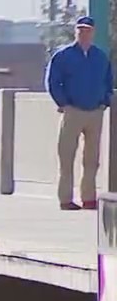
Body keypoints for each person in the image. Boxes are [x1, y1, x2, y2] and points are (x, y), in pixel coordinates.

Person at [45, 15, 114, 210]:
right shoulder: (63, 55)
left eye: (88, 30)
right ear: (76, 31)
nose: (84, 33)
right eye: (80, 29)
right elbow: (53, 81)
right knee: (66, 157)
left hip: (95, 112)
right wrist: (63, 103)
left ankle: (89, 198)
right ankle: (66, 199)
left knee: (92, 159)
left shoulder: (100, 56)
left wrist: (105, 101)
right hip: (72, 110)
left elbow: (108, 80)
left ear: (93, 33)